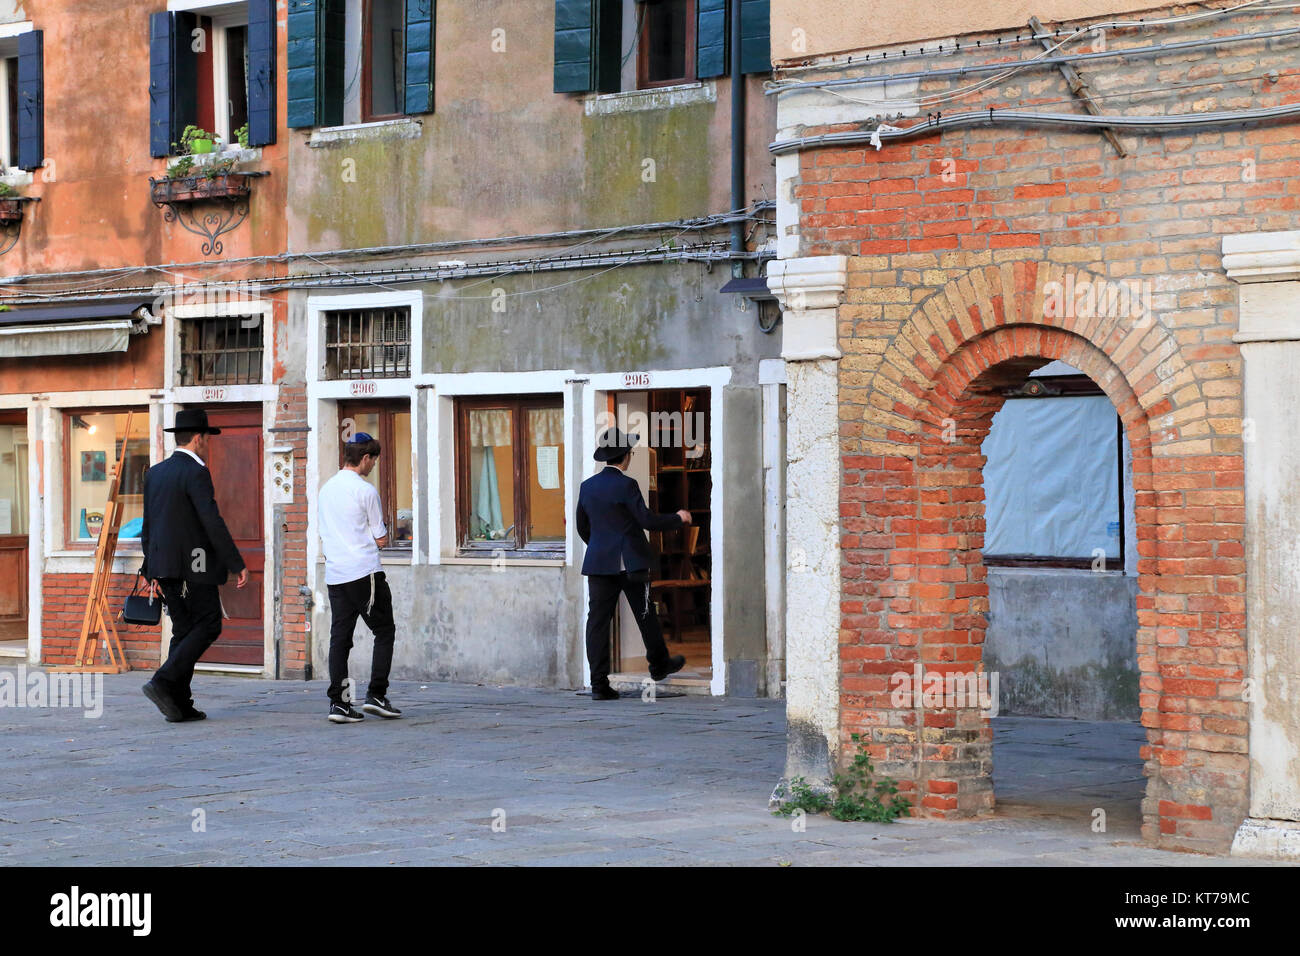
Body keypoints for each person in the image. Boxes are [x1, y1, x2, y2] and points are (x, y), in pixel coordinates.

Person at [139, 408, 247, 722]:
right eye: (206, 440)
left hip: (165, 566)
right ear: (198, 439)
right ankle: (163, 681)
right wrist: (235, 562)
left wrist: (151, 568)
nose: (207, 446)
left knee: (184, 630)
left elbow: (150, 524)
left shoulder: (155, 472)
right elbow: (211, 521)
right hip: (194, 566)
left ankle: (178, 702)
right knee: (209, 625)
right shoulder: (195, 472)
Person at [576, 427, 690, 700]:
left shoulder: (587, 487)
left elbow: (583, 527)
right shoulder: (627, 485)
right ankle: (659, 664)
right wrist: (678, 518)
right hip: (630, 564)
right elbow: (647, 520)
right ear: (625, 457)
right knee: (645, 614)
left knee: (598, 623)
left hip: (599, 565)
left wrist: (602, 547)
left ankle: (599, 685)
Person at [317, 432, 401, 723]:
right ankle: (376, 694)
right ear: (365, 458)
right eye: (373, 459)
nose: (374, 465)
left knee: (340, 639)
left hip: (336, 574)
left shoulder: (326, 490)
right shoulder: (366, 491)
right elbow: (380, 538)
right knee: (384, 631)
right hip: (365, 573)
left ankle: (339, 704)